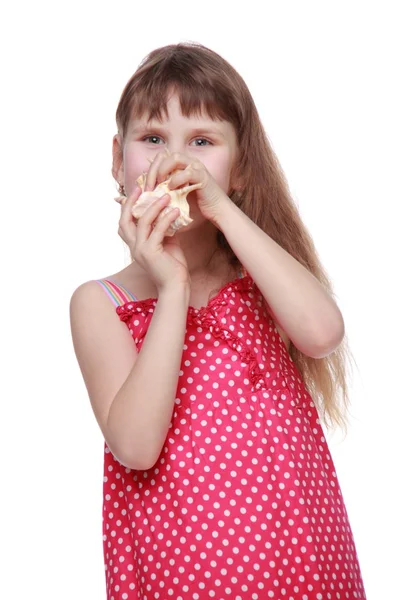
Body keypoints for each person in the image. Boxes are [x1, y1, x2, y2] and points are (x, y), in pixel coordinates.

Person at [70, 42, 366, 600]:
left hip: (304, 561)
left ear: (240, 167)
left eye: (201, 143)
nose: (173, 160)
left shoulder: (259, 273)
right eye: (152, 139)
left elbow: (323, 332)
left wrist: (221, 209)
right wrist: (172, 285)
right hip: (187, 572)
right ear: (118, 159)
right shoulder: (100, 303)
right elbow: (135, 445)